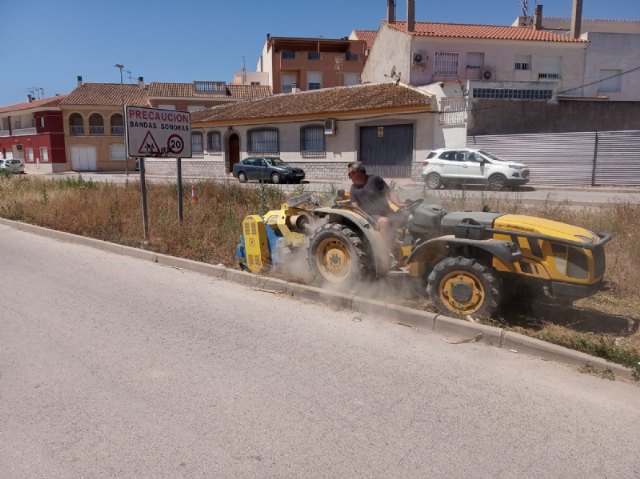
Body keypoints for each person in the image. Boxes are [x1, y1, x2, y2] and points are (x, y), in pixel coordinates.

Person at [347, 161, 404, 248]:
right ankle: (386, 254)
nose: (350, 178)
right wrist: (354, 206)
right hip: (371, 216)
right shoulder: (354, 188)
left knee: (409, 217)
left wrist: (399, 204)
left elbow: (389, 193)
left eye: (350, 175)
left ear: (357, 173)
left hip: (387, 211)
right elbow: (355, 205)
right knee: (384, 221)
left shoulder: (375, 179)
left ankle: (410, 243)